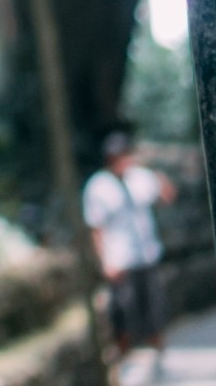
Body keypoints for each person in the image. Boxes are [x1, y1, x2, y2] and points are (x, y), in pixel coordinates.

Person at [83, 131, 175, 380]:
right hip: (121, 260)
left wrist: (160, 178)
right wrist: (104, 261)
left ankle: (159, 361)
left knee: (155, 310)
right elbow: (96, 228)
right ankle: (123, 366)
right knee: (123, 314)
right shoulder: (98, 186)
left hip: (146, 255)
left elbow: (166, 198)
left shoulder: (141, 178)